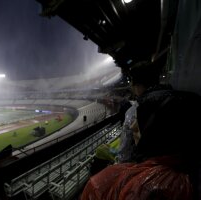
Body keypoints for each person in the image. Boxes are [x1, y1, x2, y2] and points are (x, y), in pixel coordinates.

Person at [81, 60, 201, 200]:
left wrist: (120, 170)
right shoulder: (182, 99)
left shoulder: (137, 109)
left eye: (132, 84)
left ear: (136, 85)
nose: (134, 127)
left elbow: (125, 154)